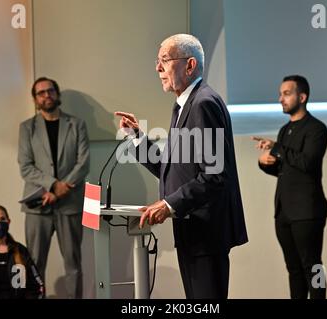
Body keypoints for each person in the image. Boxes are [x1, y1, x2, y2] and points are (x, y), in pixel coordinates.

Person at [115, 34, 247, 299]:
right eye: (158, 61)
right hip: (193, 229)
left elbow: (215, 175)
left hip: (206, 232)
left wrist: (168, 204)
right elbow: (172, 167)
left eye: (164, 60)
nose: (158, 68)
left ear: (189, 66)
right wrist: (137, 137)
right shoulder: (185, 104)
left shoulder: (203, 103)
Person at [253, 75, 327, 299]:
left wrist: (276, 148)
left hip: (307, 212)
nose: (280, 99)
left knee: (314, 265)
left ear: (302, 97)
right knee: (294, 269)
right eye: (280, 94)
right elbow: (285, 170)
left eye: (286, 94)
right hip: (284, 212)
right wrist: (263, 163)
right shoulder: (285, 130)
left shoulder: (316, 129)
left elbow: (307, 162)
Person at [18, 77, 90, 298]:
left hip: (70, 205)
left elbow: (83, 162)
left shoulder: (76, 124)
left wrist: (61, 190)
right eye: (40, 93)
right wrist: (53, 186)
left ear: (57, 94)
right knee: (35, 264)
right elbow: (26, 166)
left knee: (73, 264)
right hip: (38, 205)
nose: (46, 95)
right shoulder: (27, 128)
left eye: (50, 91)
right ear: (35, 99)